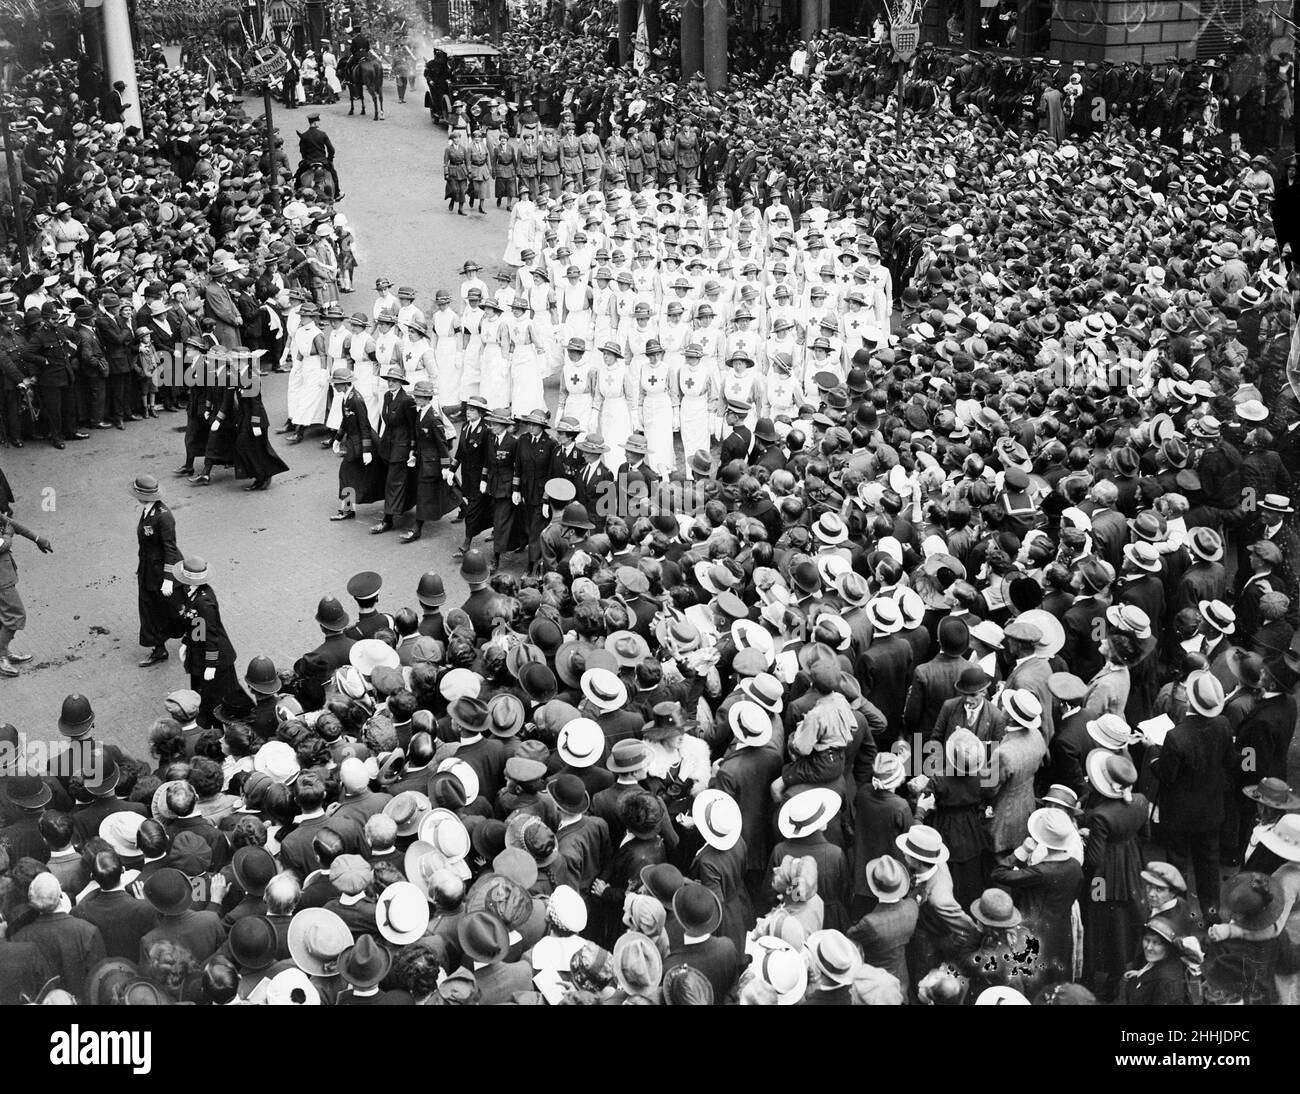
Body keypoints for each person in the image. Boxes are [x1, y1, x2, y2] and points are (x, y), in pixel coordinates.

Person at [132, 474, 182, 669]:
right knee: (149, 610)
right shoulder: (147, 511)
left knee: (177, 611)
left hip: (163, 572)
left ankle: (197, 639)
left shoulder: (163, 516)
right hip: (148, 570)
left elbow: (170, 548)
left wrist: (169, 578)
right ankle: (159, 648)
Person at [0, 505, 53, 677]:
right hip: (1, 580)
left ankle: (4, 652)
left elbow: (11, 523)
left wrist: (37, 538)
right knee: (16, 615)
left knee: (2, 617)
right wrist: (7, 534)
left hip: (5, 575)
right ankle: (1, 658)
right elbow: (2, 544)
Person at [294, 113, 340, 197]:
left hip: (309, 162)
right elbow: (331, 149)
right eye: (318, 121)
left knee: (298, 175)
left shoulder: (304, 136)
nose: (319, 123)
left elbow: (302, 151)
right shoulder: (322, 134)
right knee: (334, 175)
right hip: (323, 161)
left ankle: (297, 192)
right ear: (315, 123)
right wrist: (330, 159)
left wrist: (306, 158)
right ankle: (337, 193)